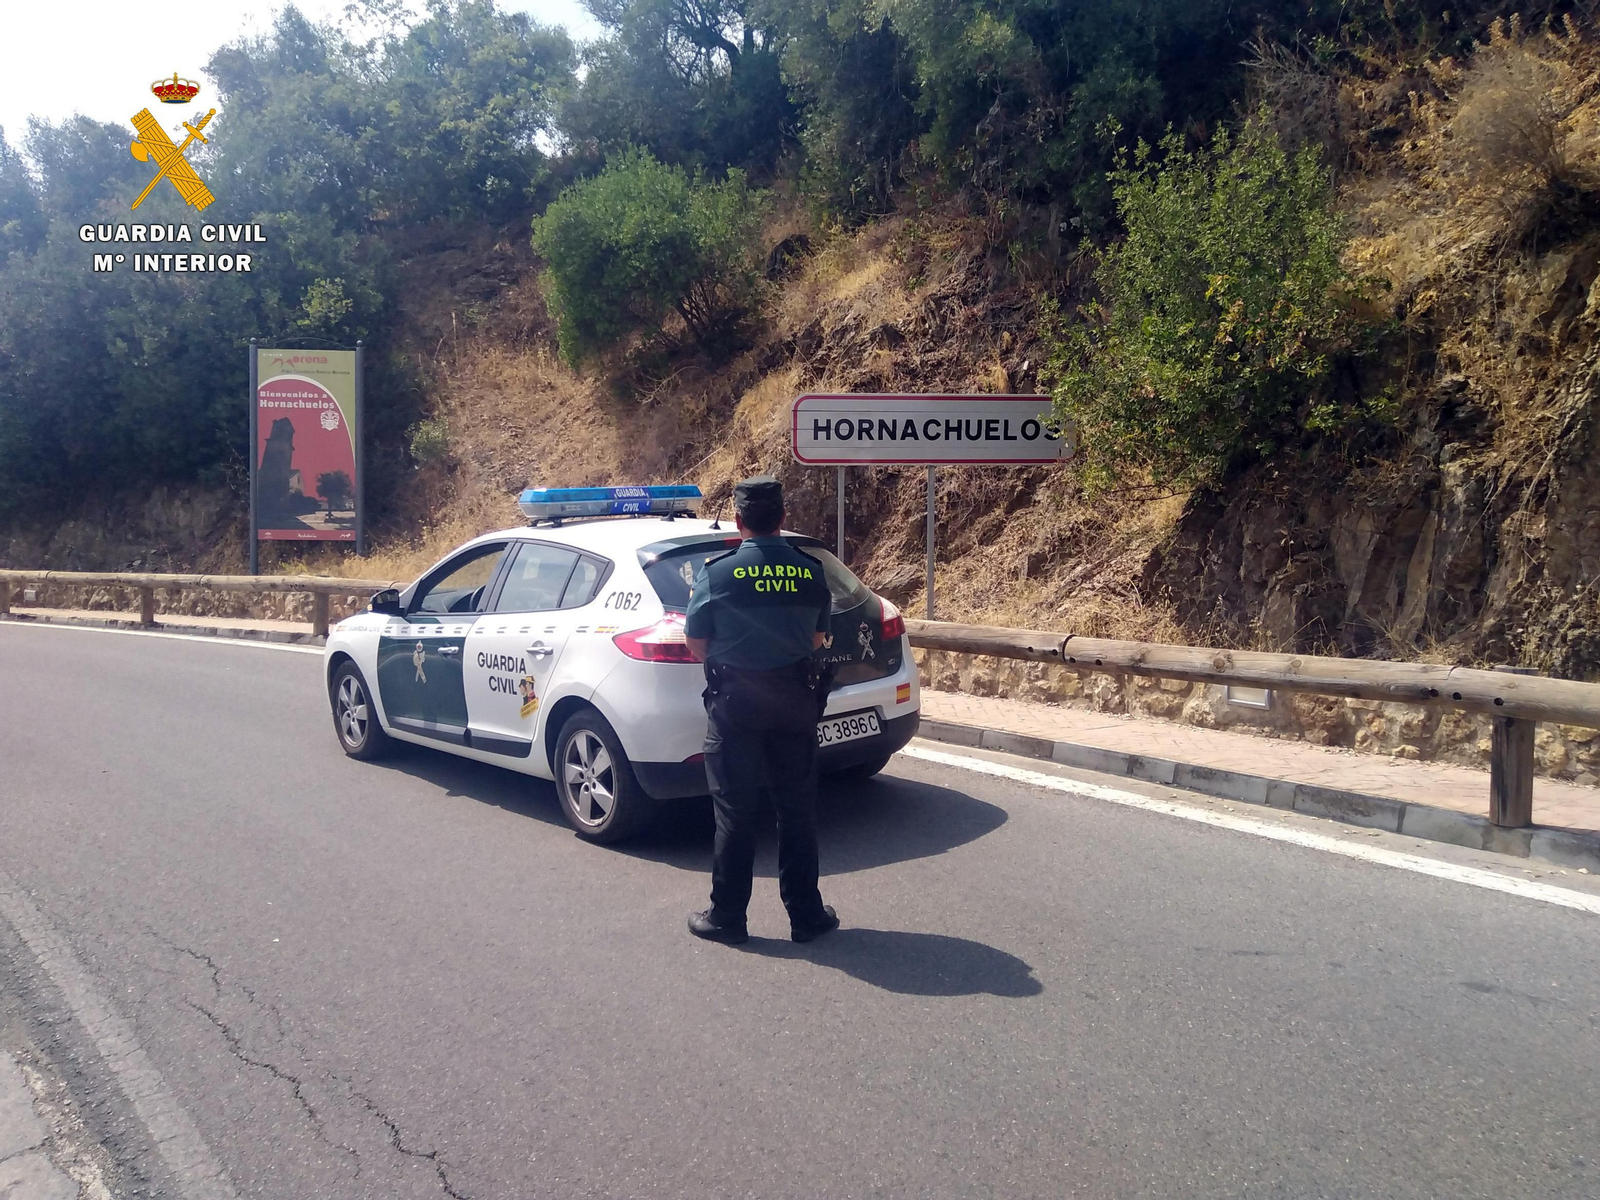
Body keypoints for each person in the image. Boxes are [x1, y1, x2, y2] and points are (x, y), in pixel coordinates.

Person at [683, 476, 840, 946]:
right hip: (794, 703)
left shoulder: (717, 572)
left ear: (738, 521)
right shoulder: (810, 570)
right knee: (796, 811)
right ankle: (806, 917)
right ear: (783, 519)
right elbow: (816, 638)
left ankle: (727, 918)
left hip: (736, 706)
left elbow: (696, 646)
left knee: (735, 811)